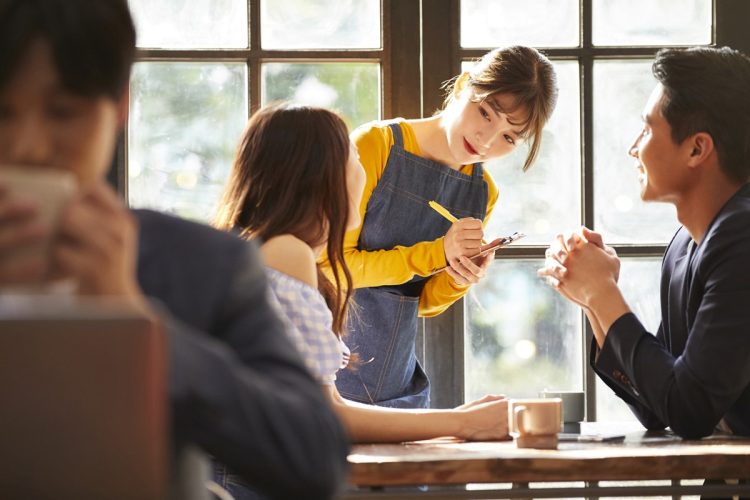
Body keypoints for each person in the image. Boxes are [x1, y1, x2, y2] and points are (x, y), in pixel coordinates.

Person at [0, 1, 349, 498]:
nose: (27, 146)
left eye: (63, 112)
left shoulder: (201, 266)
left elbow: (314, 461)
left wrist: (134, 320)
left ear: (119, 105)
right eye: (1, 112)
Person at [213, 102, 511, 499]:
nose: (363, 169)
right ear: (317, 173)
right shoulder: (287, 252)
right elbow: (326, 413)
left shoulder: (263, 246)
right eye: (352, 156)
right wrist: (464, 423)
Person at [324, 46, 558, 408]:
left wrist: (458, 278)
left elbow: (420, 302)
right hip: (328, 375)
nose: (486, 140)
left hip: (398, 386)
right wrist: (437, 253)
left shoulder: (483, 192)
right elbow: (333, 268)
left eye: (510, 138)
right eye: (485, 113)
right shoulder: (375, 146)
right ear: (464, 84)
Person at [538, 46, 750, 439]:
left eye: (648, 129)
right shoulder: (684, 245)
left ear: (696, 148)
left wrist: (603, 293)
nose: (634, 147)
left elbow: (689, 410)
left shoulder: (742, 237)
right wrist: (592, 299)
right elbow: (661, 406)